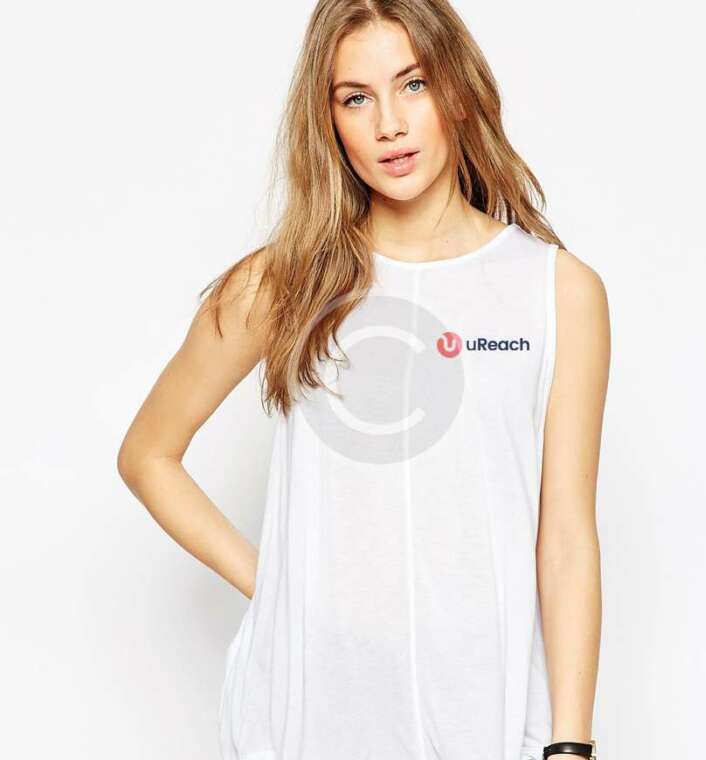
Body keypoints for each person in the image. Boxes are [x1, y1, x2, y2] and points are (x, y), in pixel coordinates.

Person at [117, 2, 610, 759]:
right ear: (329, 122)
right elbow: (148, 454)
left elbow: (567, 534)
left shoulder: (557, 291)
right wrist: (276, 587)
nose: (389, 124)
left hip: (490, 713)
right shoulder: (283, 284)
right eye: (356, 98)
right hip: (309, 715)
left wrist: (570, 745)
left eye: (413, 84)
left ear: (458, 89)